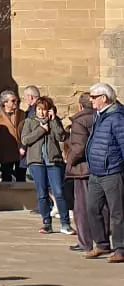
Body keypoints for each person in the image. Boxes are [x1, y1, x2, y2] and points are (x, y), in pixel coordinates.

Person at [21, 96, 72, 235]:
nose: (42, 113)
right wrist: (41, 130)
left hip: (53, 161)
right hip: (36, 162)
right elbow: (25, 139)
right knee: (42, 193)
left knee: (59, 192)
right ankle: (46, 223)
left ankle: (65, 223)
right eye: (39, 109)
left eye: (44, 110)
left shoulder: (54, 121)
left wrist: (54, 120)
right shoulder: (29, 122)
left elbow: (61, 136)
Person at [84, 83, 124, 261]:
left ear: (104, 98)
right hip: (96, 172)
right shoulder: (99, 116)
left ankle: (121, 249)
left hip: (112, 171)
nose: (90, 100)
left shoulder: (116, 117)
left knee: (118, 212)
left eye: (93, 97)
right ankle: (101, 244)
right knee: (92, 208)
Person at [64, 93, 94, 254]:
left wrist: (69, 162)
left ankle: (85, 242)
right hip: (99, 168)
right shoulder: (100, 117)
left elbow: (78, 147)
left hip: (82, 169)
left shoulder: (80, 121)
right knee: (99, 207)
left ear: (80, 106)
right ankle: (102, 241)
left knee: (81, 207)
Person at [0, 89, 23, 183]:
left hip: (21, 152)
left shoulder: (22, 114)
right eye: (13, 100)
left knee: (21, 180)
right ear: (5, 103)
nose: (16, 102)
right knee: (6, 180)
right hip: (6, 153)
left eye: (17, 100)